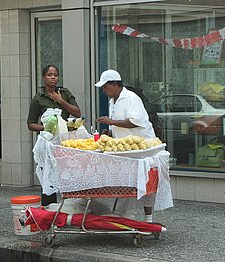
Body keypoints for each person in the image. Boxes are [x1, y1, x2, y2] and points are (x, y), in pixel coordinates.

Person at [95, 69, 157, 223]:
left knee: (146, 182)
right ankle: (124, 214)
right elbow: (118, 123)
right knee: (129, 183)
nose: (104, 91)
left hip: (143, 146)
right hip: (127, 148)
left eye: (105, 87)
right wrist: (109, 132)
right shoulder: (112, 101)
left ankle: (148, 218)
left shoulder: (131, 98)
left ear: (115, 84)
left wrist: (112, 122)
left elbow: (135, 121)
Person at [27, 65, 81, 206]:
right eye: (49, 75)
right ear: (44, 77)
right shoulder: (38, 98)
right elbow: (30, 124)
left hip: (64, 143)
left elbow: (77, 113)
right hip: (47, 143)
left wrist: (61, 100)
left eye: (55, 75)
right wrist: (47, 128)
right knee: (48, 178)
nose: (53, 77)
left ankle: (68, 209)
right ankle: (48, 212)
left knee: (67, 176)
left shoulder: (65, 93)